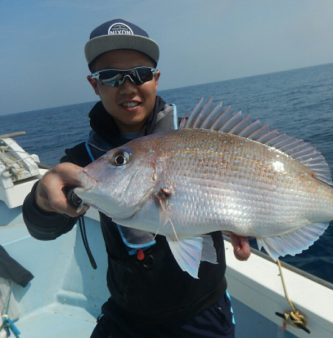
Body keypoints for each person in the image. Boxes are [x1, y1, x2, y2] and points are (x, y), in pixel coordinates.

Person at [22, 18, 250, 338]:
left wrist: (243, 213)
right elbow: (41, 228)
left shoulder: (198, 137)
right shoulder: (85, 162)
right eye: (111, 77)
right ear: (94, 85)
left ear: (155, 79)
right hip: (126, 314)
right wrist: (43, 202)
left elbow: (246, 187)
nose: (127, 87)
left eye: (140, 74)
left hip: (202, 312)